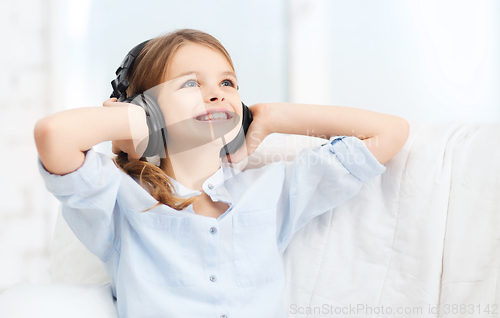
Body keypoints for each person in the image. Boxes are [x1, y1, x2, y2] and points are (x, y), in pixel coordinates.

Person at [34, 28, 409, 318]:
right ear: (144, 107)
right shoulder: (119, 200)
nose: (216, 94)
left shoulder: (271, 190)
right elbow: (54, 135)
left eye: (227, 83)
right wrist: (128, 120)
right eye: (191, 83)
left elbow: (389, 133)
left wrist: (273, 117)